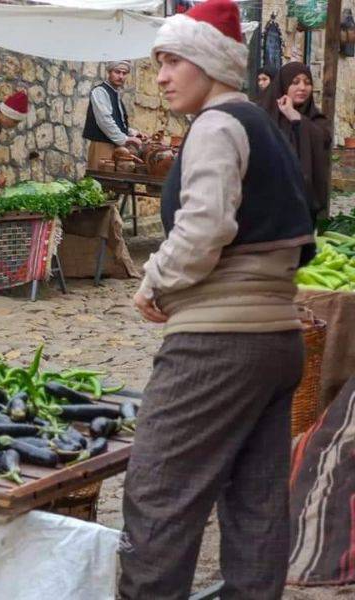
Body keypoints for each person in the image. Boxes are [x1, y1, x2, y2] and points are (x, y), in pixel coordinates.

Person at [120, 1, 316, 598]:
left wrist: (154, 280)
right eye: (159, 62)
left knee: (157, 489)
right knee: (254, 501)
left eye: (174, 59)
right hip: (276, 342)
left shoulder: (216, 125)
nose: (161, 76)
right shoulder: (262, 127)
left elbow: (204, 227)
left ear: (208, 60)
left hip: (218, 343)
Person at [259, 62, 332, 222]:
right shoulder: (263, 116)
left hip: (303, 206)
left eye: (307, 82)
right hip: (269, 204)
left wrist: (295, 117)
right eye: (295, 82)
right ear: (284, 84)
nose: (302, 87)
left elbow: (323, 139)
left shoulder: (316, 119)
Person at [82, 60, 141, 170]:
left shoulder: (115, 93)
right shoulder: (100, 91)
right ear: (109, 72)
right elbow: (105, 121)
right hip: (102, 145)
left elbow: (118, 120)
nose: (121, 76)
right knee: (100, 181)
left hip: (115, 145)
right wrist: (125, 140)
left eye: (124, 73)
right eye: (117, 72)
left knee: (114, 184)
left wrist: (134, 133)